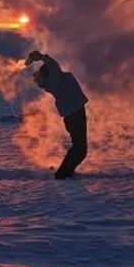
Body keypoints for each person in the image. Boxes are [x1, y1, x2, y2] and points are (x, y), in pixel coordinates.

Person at [25, 50, 89, 179]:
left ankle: (66, 173)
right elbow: (53, 66)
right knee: (79, 148)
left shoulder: (57, 80)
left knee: (80, 149)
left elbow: (53, 67)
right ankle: (62, 175)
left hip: (75, 114)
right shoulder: (55, 81)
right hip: (74, 115)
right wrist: (41, 57)